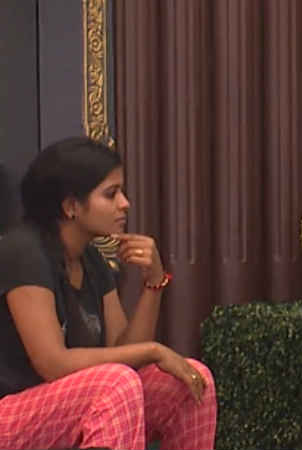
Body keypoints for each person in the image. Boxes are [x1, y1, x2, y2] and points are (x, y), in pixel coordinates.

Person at [0, 137, 217, 450]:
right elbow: (52, 363)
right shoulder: (23, 251)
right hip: (10, 413)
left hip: (63, 405)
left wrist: (153, 281)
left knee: (192, 380)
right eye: (111, 194)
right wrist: (154, 351)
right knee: (114, 384)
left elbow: (124, 351)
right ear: (71, 206)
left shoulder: (91, 259)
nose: (125, 203)